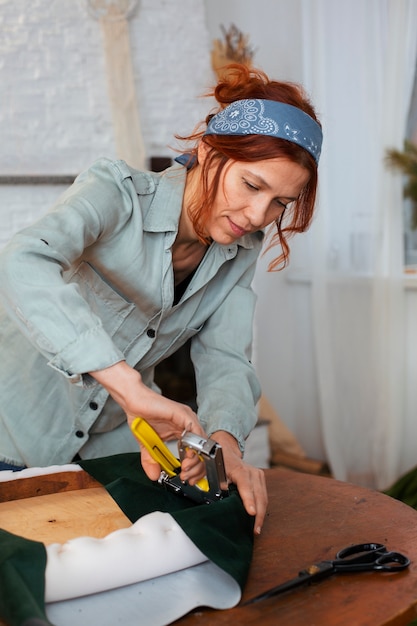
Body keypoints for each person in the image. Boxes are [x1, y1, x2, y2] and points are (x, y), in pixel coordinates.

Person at [0, 64, 322, 535]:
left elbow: (227, 357)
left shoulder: (238, 253)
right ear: (209, 153)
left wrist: (225, 444)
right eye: (252, 185)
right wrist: (129, 388)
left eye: (280, 203)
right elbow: (22, 261)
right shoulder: (117, 194)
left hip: (108, 453)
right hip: (11, 435)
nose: (258, 216)